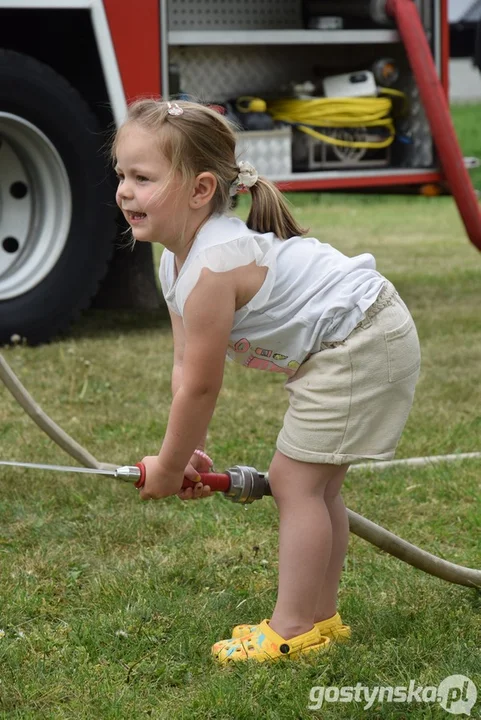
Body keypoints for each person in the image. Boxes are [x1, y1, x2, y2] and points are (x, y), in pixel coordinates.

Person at [113, 98, 421, 664]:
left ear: (201, 189)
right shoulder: (174, 263)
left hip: (361, 339)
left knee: (293, 482)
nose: (125, 191)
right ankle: (319, 620)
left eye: (142, 177)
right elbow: (186, 370)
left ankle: (292, 628)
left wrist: (166, 465)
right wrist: (186, 455)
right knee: (315, 485)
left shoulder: (212, 266)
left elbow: (204, 388)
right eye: (121, 176)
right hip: (353, 339)